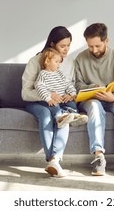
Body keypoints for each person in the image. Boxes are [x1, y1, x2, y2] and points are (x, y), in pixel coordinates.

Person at [21, 26, 83, 177]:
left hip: (61, 102)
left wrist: (71, 95)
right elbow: (25, 93)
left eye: (68, 45)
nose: (66, 50)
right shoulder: (36, 62)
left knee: (64, 116)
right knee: (46, 114)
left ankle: (54, 160)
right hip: (37, 101)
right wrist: (49, 95)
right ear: (52, 44)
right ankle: (52, 158)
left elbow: (70, 84)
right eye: (62, 46)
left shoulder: (69, 63)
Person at [75, 23, 114, 176]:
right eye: (90, 46)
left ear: (106, 41)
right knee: (94, 106)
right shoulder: (80, 59)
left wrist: (113, 97)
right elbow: (77, 85)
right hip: (91, 99)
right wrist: (90, 88)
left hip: (111, 98)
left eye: (98, 46)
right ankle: (98, 157)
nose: (94, 50)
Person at [34, 47, 88, 128]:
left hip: (62, 99)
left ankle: (75, 117)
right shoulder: (43, 74)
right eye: (56, 62)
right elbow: (39, 87)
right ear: (47, 61)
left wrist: (72, 94)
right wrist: (49, 99)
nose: (59, 65)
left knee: (72, 104)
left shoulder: (59, 73)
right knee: (55, 107)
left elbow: (68, 84)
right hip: (50, 100)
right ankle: (60, 119)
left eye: (59, 62)